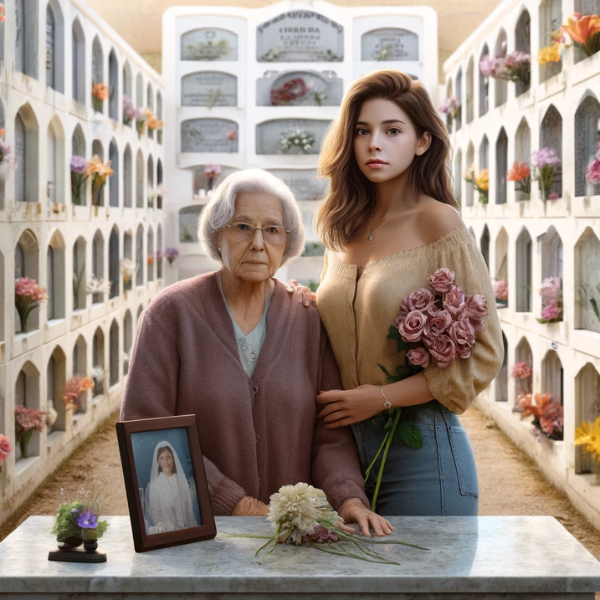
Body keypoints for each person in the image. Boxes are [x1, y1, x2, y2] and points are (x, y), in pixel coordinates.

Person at [121, 169, 392, 537]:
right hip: (202, 534)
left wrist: (348, 498)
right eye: (242, 227)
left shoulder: (307, 318)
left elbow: (329, 430)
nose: (258, 243)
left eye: (272, 230)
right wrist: (236, 504)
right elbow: (145, 427)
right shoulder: (171, 313)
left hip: (290, 542)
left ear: (287, 243)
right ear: (218, 236)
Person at [289, 70, 503, 516]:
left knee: (419, 587)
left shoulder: (439, 224)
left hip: (424, 454)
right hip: (341, 455)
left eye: (392, 131)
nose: (374, 144)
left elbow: (484, 353)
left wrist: (380, 397)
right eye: (362, 131)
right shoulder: (343, 230)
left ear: (422, 141)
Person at [146, 441, 197, 534]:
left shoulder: (180, 480)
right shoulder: (155, 485)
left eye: (168, 457)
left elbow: (189, 509)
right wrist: (174, 529)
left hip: (187, 531)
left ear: (173, 459)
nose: (166, 461)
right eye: (162, 458)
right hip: (168, 533)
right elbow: (155, 516)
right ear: (158, 462)